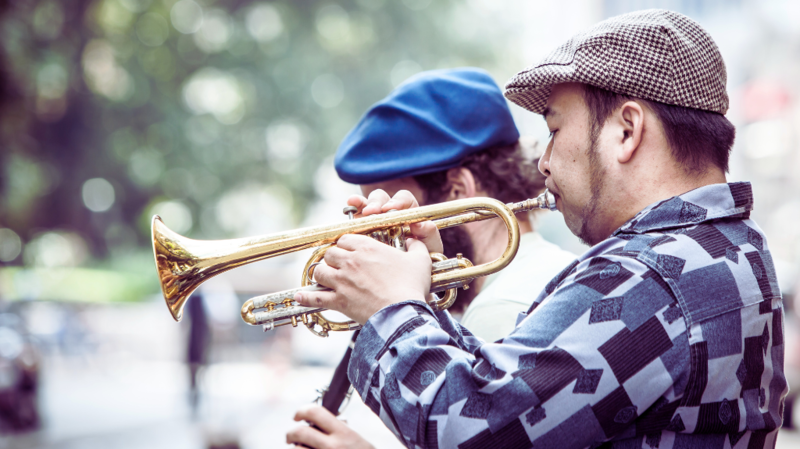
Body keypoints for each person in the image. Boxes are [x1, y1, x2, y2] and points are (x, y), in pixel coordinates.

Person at [293, 9, 788, 449]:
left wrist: (389, 308)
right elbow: (516, 393)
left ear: (627, 131)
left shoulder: (648, 275)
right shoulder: (734, 243)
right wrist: (419, 300)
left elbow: (469, 428)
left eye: (553, 130)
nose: (544, 162)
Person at [286, 68, 576, 449]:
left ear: (459, 190)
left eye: (392, 215)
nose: (377, 240)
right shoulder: (544, 270)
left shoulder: (501, 309)